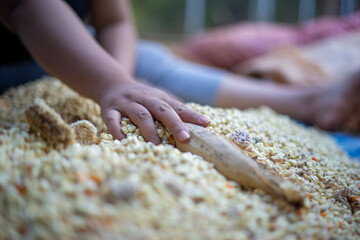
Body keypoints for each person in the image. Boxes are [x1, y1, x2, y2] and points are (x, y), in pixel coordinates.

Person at [1, 0, 359, 147]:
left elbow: (115, 20)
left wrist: (121, 78)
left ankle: (310, 102)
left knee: (149, 59)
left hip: (76, 55)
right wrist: (110, 83)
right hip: (14, 65)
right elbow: (26, 6)